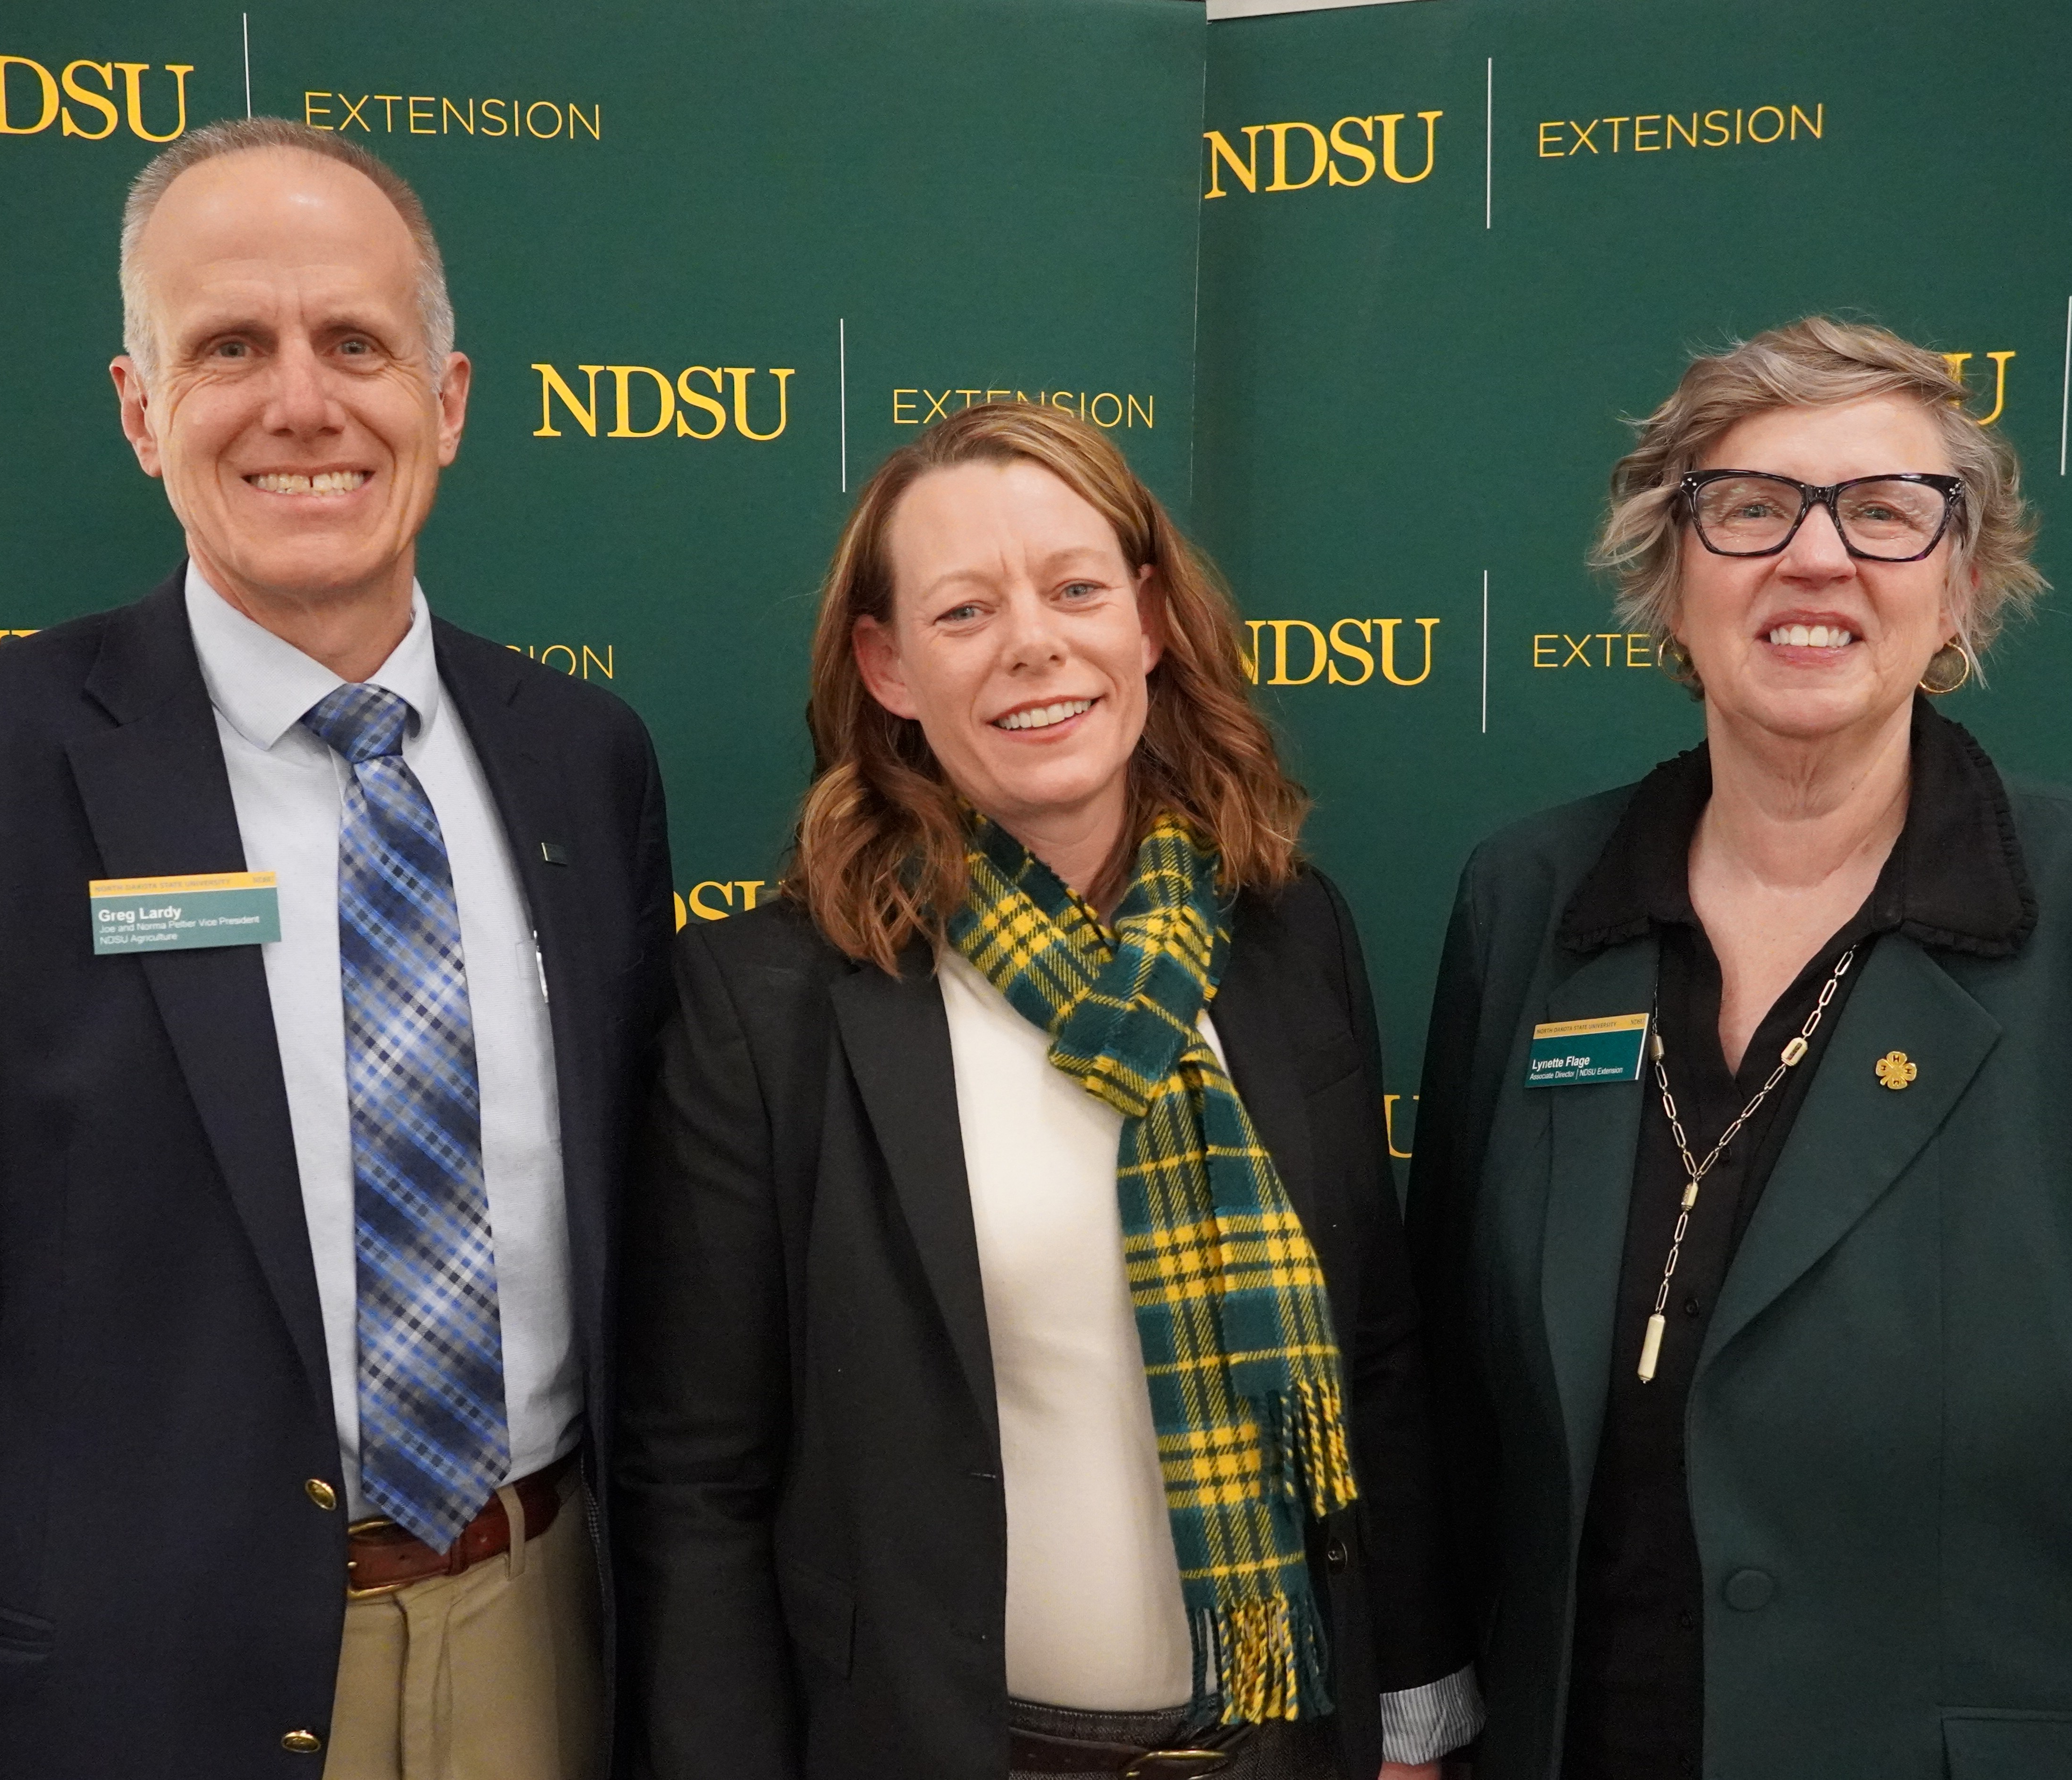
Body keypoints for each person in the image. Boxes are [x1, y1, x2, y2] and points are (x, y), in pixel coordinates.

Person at [0, 119, 673, 1780]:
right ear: (140, 409)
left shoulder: (580, 760)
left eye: (357, 344)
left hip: (547, 1644)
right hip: (129, 1691)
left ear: (447, 402)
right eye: (229, 347)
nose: (300, 404)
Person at [1405, 314, 2072, 1780]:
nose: (1815, 557)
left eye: (1884, 510)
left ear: (1963, 588)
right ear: (1666, 578)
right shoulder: (1529, 904)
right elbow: (1461, 1404)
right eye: (1746, 507)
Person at [617, 401, 1478, 1780]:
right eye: (964, 611)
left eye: (1076, 589)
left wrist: (1415, 1720)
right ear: (887, 665)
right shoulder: (766, 1001)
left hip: (1284, 1745)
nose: (1034, 642)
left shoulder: (1284, 935)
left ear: (1145, 621)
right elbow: (696, 1480)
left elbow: (1372, 1354)